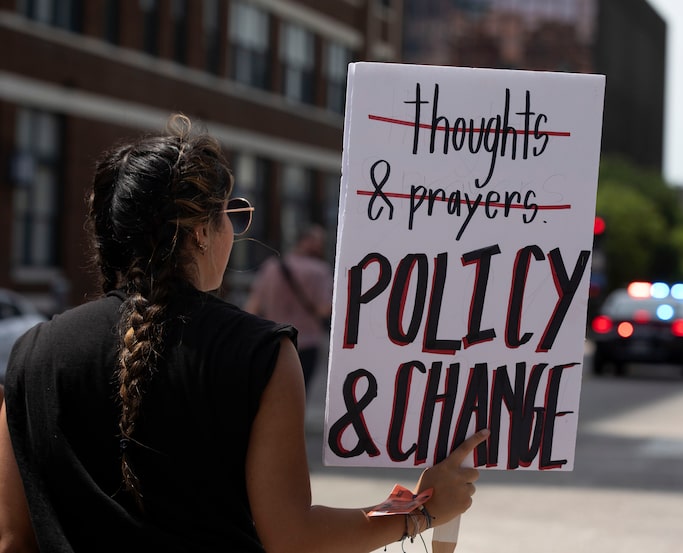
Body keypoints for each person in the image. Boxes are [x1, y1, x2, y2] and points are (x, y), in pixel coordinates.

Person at [0, 114, 488, 553]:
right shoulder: (260, 353)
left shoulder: (30, 356)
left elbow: (13, 539)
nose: (235, 231)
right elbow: (292, 537)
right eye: (230, 214)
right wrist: (419, 510)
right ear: (200, 231)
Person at [244, 224, 332, 391]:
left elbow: (252, 307)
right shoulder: (320, 271)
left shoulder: (271, 267)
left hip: (272, 340)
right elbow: (324, 309)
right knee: (297, 396)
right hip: (306, 343)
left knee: (271, 394)